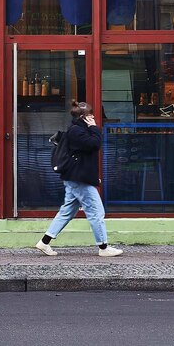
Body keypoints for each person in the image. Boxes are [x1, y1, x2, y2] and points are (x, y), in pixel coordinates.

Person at [35, 100, 123, 257]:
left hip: (75, 177)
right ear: (84, 117)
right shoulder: (77, 131)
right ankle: (103, 247)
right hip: (79, 179)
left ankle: (44, 242)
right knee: (96, 212)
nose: (94, 117)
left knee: (67, 211)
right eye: (91, 115)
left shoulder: (78, 130)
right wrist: (94, 127)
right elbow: (95, 144)